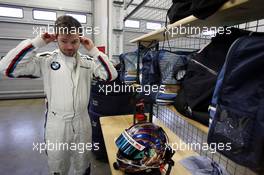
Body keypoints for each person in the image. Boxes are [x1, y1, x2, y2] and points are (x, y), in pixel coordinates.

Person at [0, 15, 117, 175]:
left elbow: (111, 75)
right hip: (57, 124)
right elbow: (7, 68)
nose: (69, 47)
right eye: (64, 41)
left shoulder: (88, 62)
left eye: (74, 41)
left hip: (83, 122)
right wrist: (37, 43)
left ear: (80, 39)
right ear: (56, 39)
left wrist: (94, 50)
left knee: (82, 164)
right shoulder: (46, 61)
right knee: (57, 166)